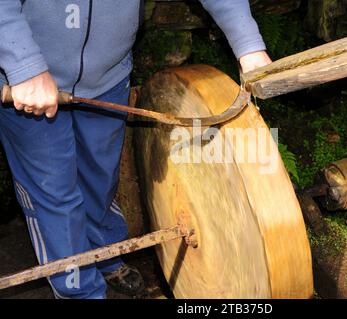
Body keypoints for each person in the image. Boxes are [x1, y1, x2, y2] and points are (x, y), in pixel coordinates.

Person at [0, 0, 271, 299]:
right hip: (24, 89)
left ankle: (106, 253)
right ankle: (80, 291)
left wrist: (248, 44)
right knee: (54, 194)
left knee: (101, 177)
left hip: (107, 78)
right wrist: (24, 66)